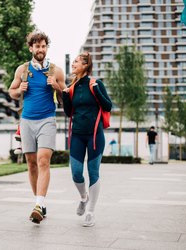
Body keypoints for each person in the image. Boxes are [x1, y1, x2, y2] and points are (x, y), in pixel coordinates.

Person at [8, 31, 66, 224]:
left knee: (43, 161)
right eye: (37, 46)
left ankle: (38, 205)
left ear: (46, 48)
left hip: (47, 120)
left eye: (43, 46)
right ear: (31, 48)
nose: (40, 49)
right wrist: (19, 90)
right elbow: (11, 92)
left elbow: (66, 95)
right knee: (31, 163)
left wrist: (57, 86)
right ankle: (39, 202)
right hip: (26, 121)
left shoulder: (56, 71)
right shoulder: (22, 70)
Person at [62, 52, 112, 227]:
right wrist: (64, 95)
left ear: (85, 65)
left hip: (95, 136)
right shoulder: (72, 87)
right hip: (77, 135)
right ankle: (84, 197)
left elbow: (108, 106)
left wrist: (96, 90)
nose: (73, 64)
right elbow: (69, 112)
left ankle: (90, 212)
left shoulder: (95, 83)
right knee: (76, 172)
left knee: (93, 173)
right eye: (73, 61)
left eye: (76, 61)